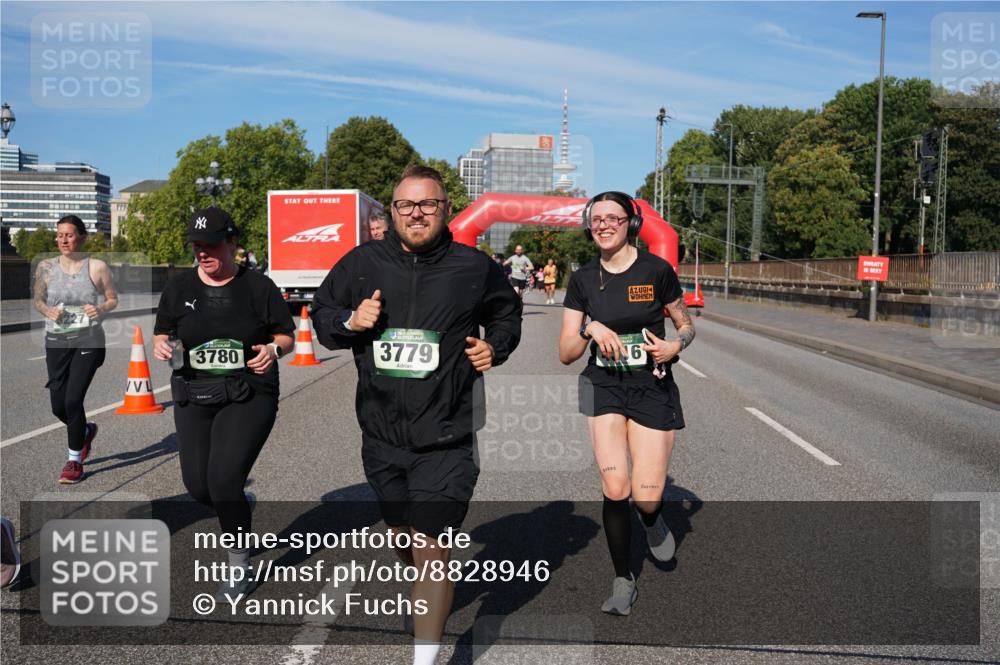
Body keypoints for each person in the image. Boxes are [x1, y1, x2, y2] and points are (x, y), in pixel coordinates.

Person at [312, 165, 521, 665]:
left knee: (431, 545)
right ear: (393, 210)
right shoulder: (361, 263)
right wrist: (349, 320)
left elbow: (506, 314)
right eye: (406, 204)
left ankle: (424, 657)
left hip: (448, 432)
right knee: (404, 539)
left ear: (446, 210)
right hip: (382, 434)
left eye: (428, 204)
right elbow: (322, 314)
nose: (417, 213)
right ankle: (424, 581)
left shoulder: (473, 267)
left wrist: (495, 346)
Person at [558, 191, 694, 616]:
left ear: (630, 223)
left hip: (651, 388)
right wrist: (589, 329)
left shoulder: (657, 270)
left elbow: (685, 323)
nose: (603, 225)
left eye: (613, 218)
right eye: (596, 219)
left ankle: (651, 521)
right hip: (604, 387)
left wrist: (676, 346)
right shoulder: (581, 279)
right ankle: (623, 580)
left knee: (646, 497)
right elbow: (565, 352)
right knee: (616, 487)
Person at [152, 207, 294, 599]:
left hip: (249, 392)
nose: (203, 252)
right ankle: (236, 506)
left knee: (223, 480)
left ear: (232, 243)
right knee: (198, 486)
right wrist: (162, 344)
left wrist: (272, 349)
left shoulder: (258, 287)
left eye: (211, 244)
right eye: (197, 245)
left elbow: (287, 336)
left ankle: (238, 558)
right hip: (194, 392)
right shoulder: (179, 288)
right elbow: (161, 333)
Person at [33, 214, 118, 484]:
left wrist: (100, 308)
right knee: (58, 406)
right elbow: (38, 300)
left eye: (69, 235)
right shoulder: (46, 267)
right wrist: (49, 311)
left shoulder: (97, 267)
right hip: (56, 340)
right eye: (59, 235)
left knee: (72, 400)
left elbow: (113, 299)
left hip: (88, 340)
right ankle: (85, 432)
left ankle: (74, 461)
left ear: (81, 237)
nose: (63, 240)